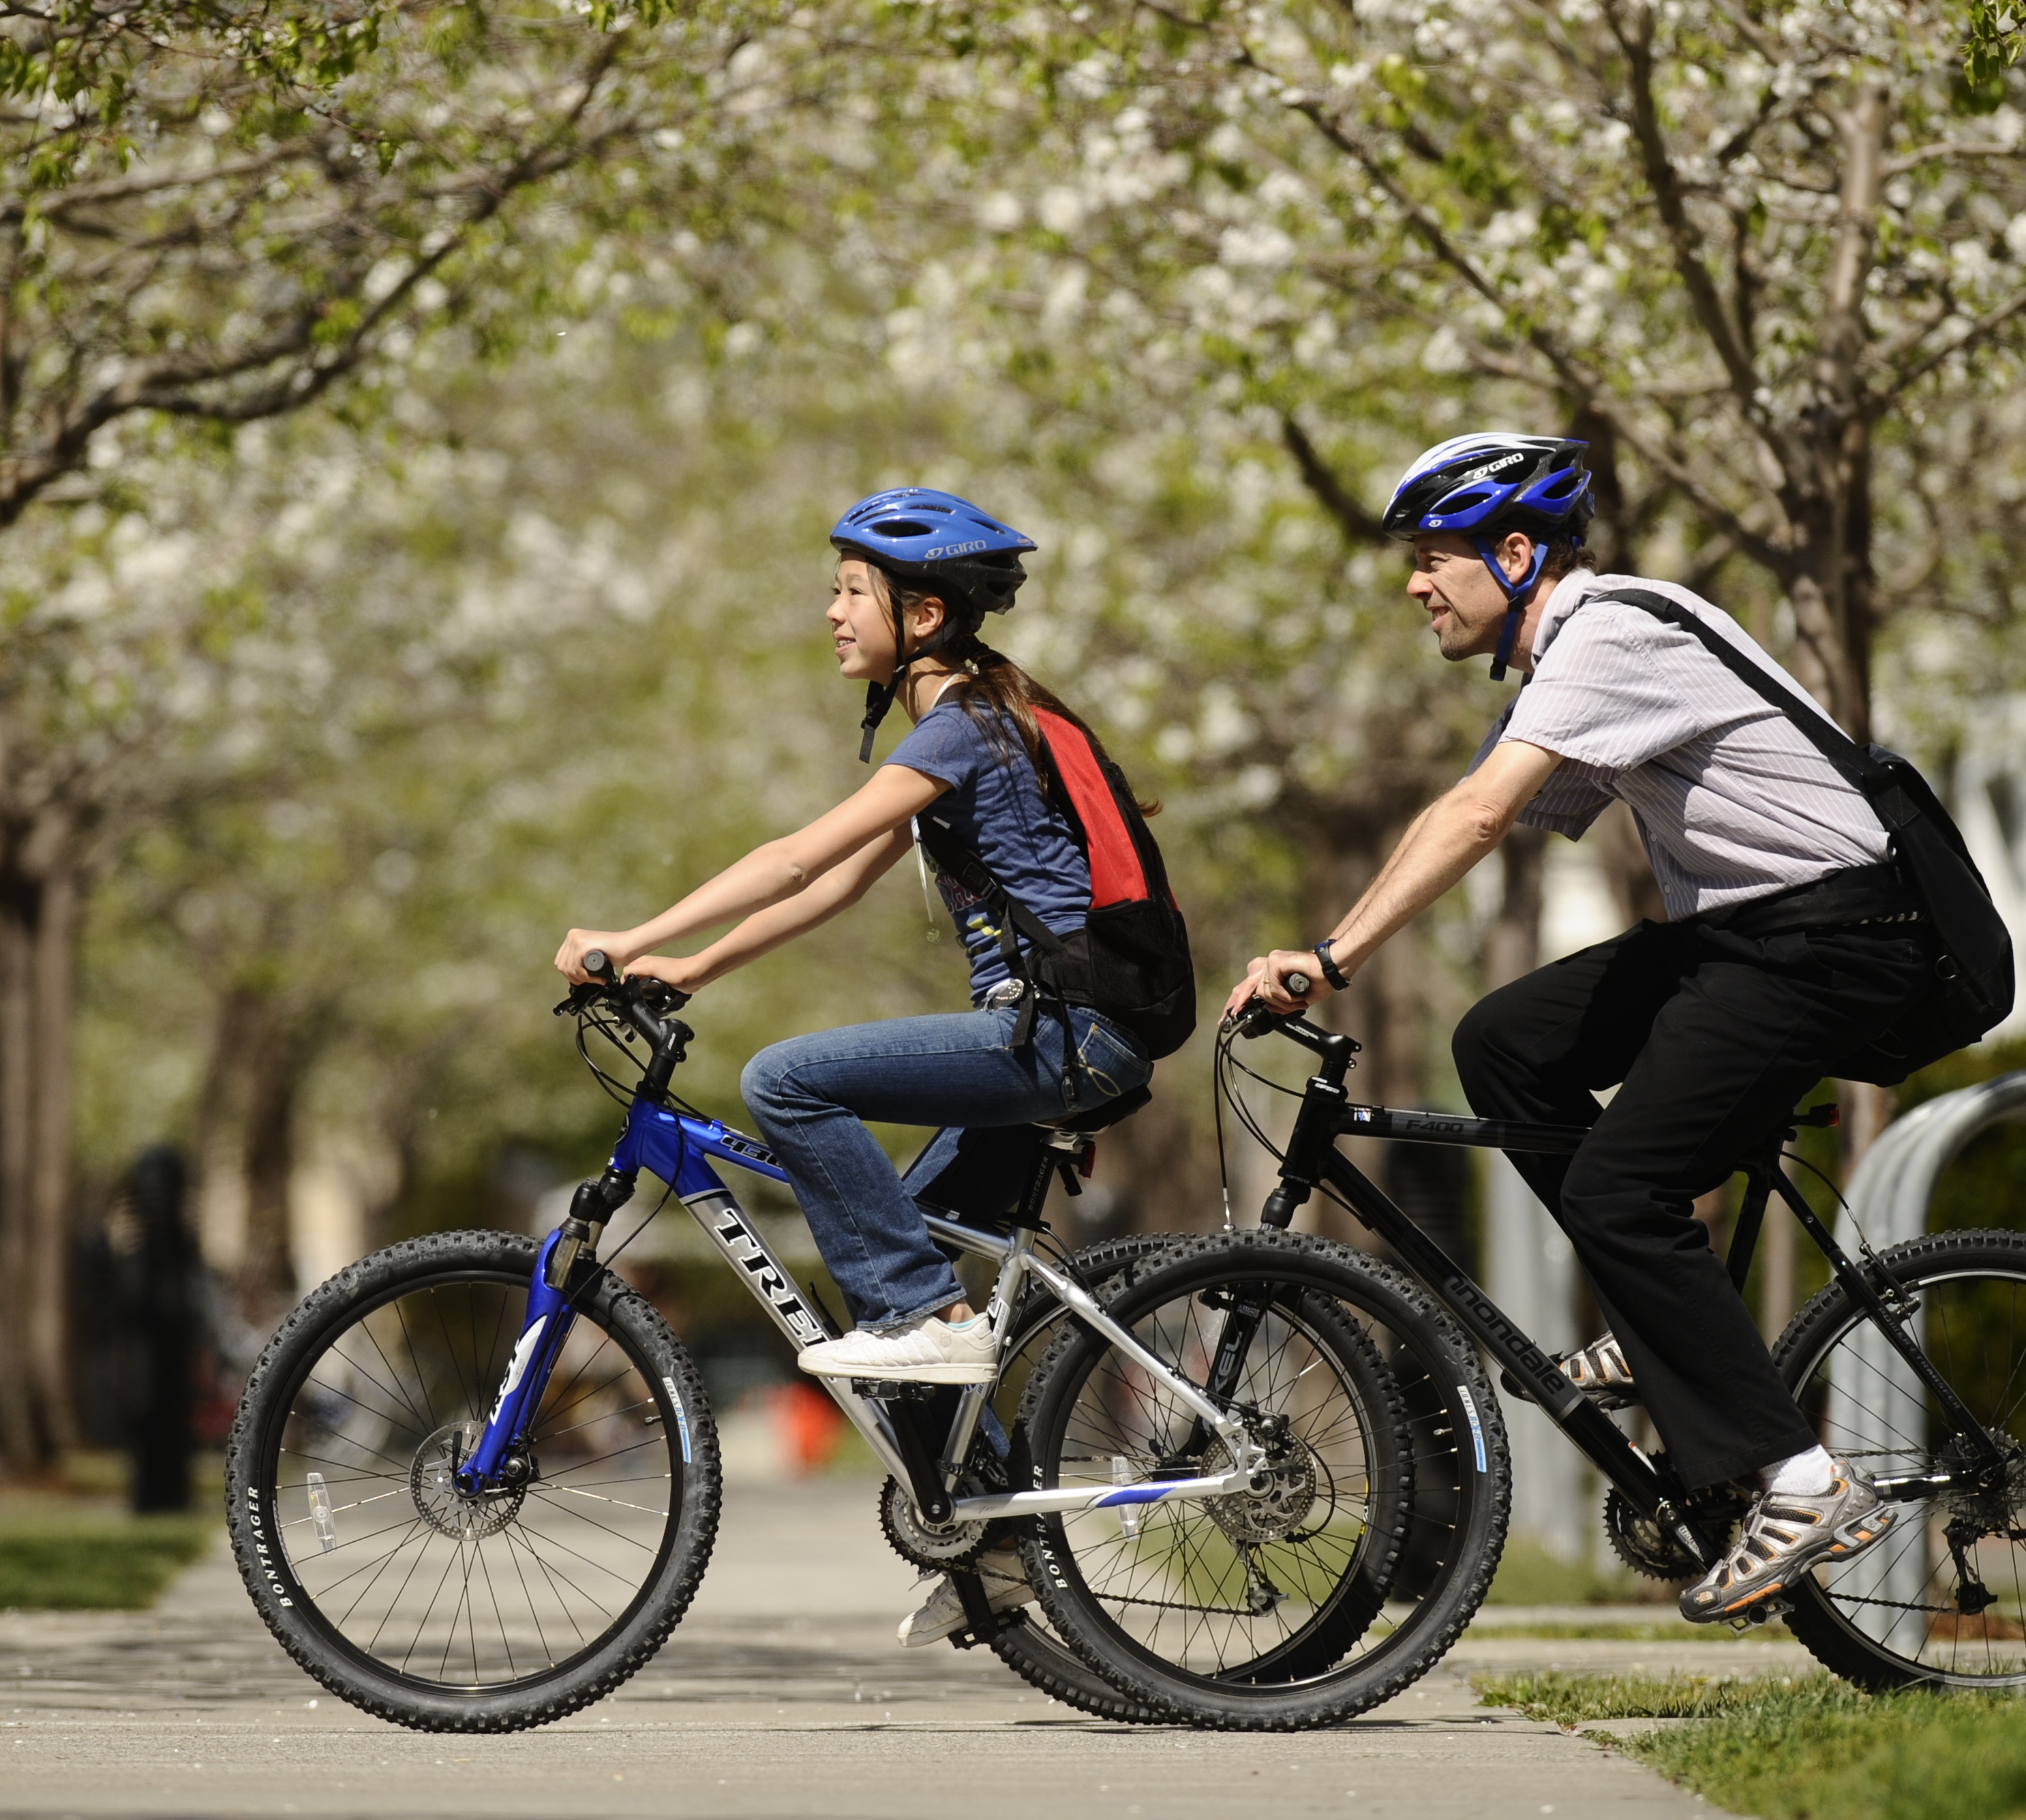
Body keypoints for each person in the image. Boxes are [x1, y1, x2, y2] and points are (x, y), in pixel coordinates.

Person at [1229, 432, 1929, 1625]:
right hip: (1755, 938)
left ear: (1516, 554)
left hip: (1842, 934)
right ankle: (1667, 1324)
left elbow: (1479, 811)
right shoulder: (1575, 655)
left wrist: (1333, 955)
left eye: (1433, 556)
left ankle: (1804, 1479)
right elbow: (1506, 793)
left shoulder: (1612, 633)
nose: (1414, 584)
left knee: (1615, 1191)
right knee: (1506, 1040)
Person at [558, 487, 1166, 1645]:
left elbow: (796, 856)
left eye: (852, 592)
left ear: (925, 613)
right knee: (890, 1269)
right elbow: (833, 886)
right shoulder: (966, 720)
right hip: (1062, 1035)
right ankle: (992, 1538)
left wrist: (628, 937)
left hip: (1064, 1033)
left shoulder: (966, 725)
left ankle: (930, 1320)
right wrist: (691, 966)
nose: (829, 611)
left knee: (788, 1085)